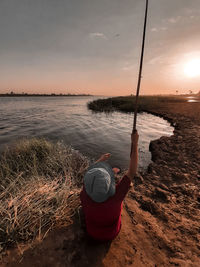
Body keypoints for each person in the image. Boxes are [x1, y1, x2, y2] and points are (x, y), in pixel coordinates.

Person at [80, 131, 139, 242]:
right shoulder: (117, 196)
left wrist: (100, 160)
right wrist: (135, 143)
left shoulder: (85, 195)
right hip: (111, 234)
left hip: (91, 232)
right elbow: (131, 172)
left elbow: (89, 175)